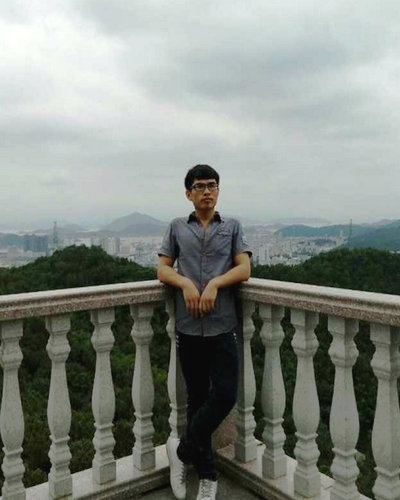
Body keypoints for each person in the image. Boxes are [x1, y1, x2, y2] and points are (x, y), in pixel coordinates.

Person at [157, 164, 251, 500]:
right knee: (197, 400)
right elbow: (163, 269)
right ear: (189, 193)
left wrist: (215, 284)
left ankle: (180, 450)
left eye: (212, 185)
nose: (207, 191)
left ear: (218, 191)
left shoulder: (232, 227)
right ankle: (208, 475)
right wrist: (184, 282)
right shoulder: (177, 227)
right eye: (200, 186)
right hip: (188, 327)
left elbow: (244, 267)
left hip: (222, 324)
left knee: (225, 394)